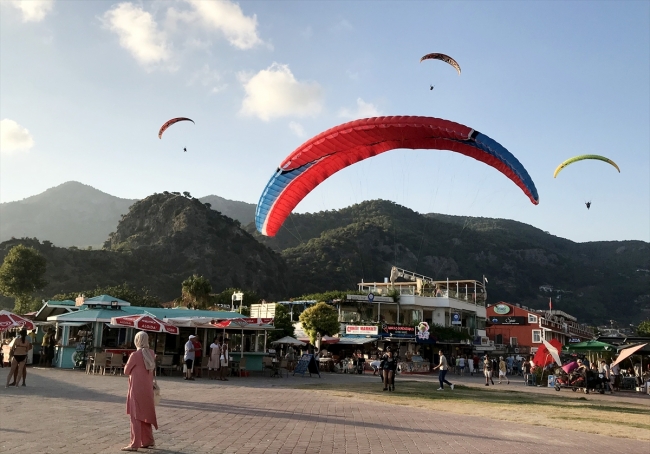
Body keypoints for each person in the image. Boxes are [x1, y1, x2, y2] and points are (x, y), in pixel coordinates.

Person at [122, 331, 157, 451]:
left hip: (136, 388)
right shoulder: (151, 353)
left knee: (135, 416)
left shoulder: (135, 355)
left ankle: (134, 443)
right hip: (147, 389)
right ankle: (148, 440)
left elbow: (126, 371)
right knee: (146, 415)